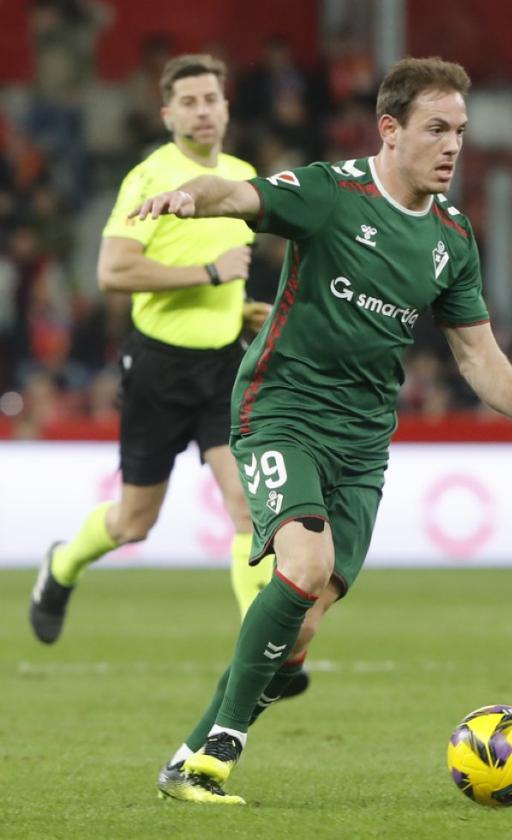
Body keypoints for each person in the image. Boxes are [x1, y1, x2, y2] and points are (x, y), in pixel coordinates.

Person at [131, 56, 512, 805]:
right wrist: (190, 196)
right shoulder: (329, 194)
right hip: (281, 408)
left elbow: (475, 352)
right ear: (390, 130)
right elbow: (235, 193)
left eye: (461, 131)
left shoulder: (451, 237)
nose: (452, 146)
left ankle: (186, 757)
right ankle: (218, 754)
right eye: (436, 129)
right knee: (303, 566)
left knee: (299, 628)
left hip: (363, 440)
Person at [29, 54, 281, 646]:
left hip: (223, 364)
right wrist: (209, 275)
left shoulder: (242, 177)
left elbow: (232, 270)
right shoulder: (150, 179)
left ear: (226, 107)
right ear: (167, 114)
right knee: (134, 521)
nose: (201, 111)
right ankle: (62, 565)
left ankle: (258, 647)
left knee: (247, 508)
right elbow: (112, 271)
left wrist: (239, 306)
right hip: (158, 368)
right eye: (188, 102)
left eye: (210, 99)